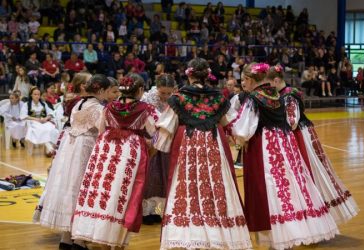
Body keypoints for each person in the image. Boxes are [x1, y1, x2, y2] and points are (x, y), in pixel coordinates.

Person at [230, 63, 338, 250]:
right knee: (287, 186)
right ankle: (291, 232)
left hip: (264, 145)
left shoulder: (255, 98)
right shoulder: (276, 94)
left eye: (244, 80)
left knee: (270, 188)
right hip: (284, 143)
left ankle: (278, 237)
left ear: (249, 79)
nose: (243, 84)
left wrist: (230, 130)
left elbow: (242, 129)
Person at [153, 58, 252, 249]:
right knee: (214, 184)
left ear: (188, 74)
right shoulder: (218, 97)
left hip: (188, 145)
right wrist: (243, 140)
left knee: (189, 184)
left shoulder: (179, 97)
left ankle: (189, 232)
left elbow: (166, 128)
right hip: (212, 144)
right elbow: (230, 124)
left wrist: (155, 146)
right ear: (208, 75)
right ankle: (218, 230)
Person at [71, 73, 159, 248]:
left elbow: (102, 130)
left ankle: (100, 237)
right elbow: (159, 133)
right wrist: (151, 148)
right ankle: (116, 241)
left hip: (106, 149)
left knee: (102, 190)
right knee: (122, 194)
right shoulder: (146, 109)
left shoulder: (108, 107)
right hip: (129, 151)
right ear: (140, 90)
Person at [267, 64, 359, 225]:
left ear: (275, 80)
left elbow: (292, 121)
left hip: (302, 135)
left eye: (269, 83)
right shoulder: (282, 94)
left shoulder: (289, 95)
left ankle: (319, 216)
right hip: (299, 134)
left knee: (311, 171)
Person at [33, 75, 111, 250]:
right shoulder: (97, 107)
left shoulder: (78, 103)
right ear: (100, 91)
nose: (107, 95)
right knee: (81, 188)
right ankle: (78, 240)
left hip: (70, 148)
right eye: (106, 91)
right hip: (85, 148)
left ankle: (66, 238)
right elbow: (102, 131)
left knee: (71, 186)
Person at [141, 74, 176, 224]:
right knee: (150, 176)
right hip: (150, 141)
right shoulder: (147, 99)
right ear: (157, 88)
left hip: (167, 142)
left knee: (163, 176)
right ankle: (145, 212)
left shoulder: (174, 100)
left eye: (169, 93)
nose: (166, 96)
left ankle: (156, 210)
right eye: (163, 93)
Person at [20, 87, 59, 155]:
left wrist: (46, 118)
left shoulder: (43, 104)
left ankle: (49, 149)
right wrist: (36, 119)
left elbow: (51, 113)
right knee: (40, 129)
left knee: (52, 129)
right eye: (35, 94)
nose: (37, 96)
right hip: (32, 122)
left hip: (43, 121)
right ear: (31, 95)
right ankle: (49, 148)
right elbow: (23, 116)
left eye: (38, 94)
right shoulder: (27, 104)